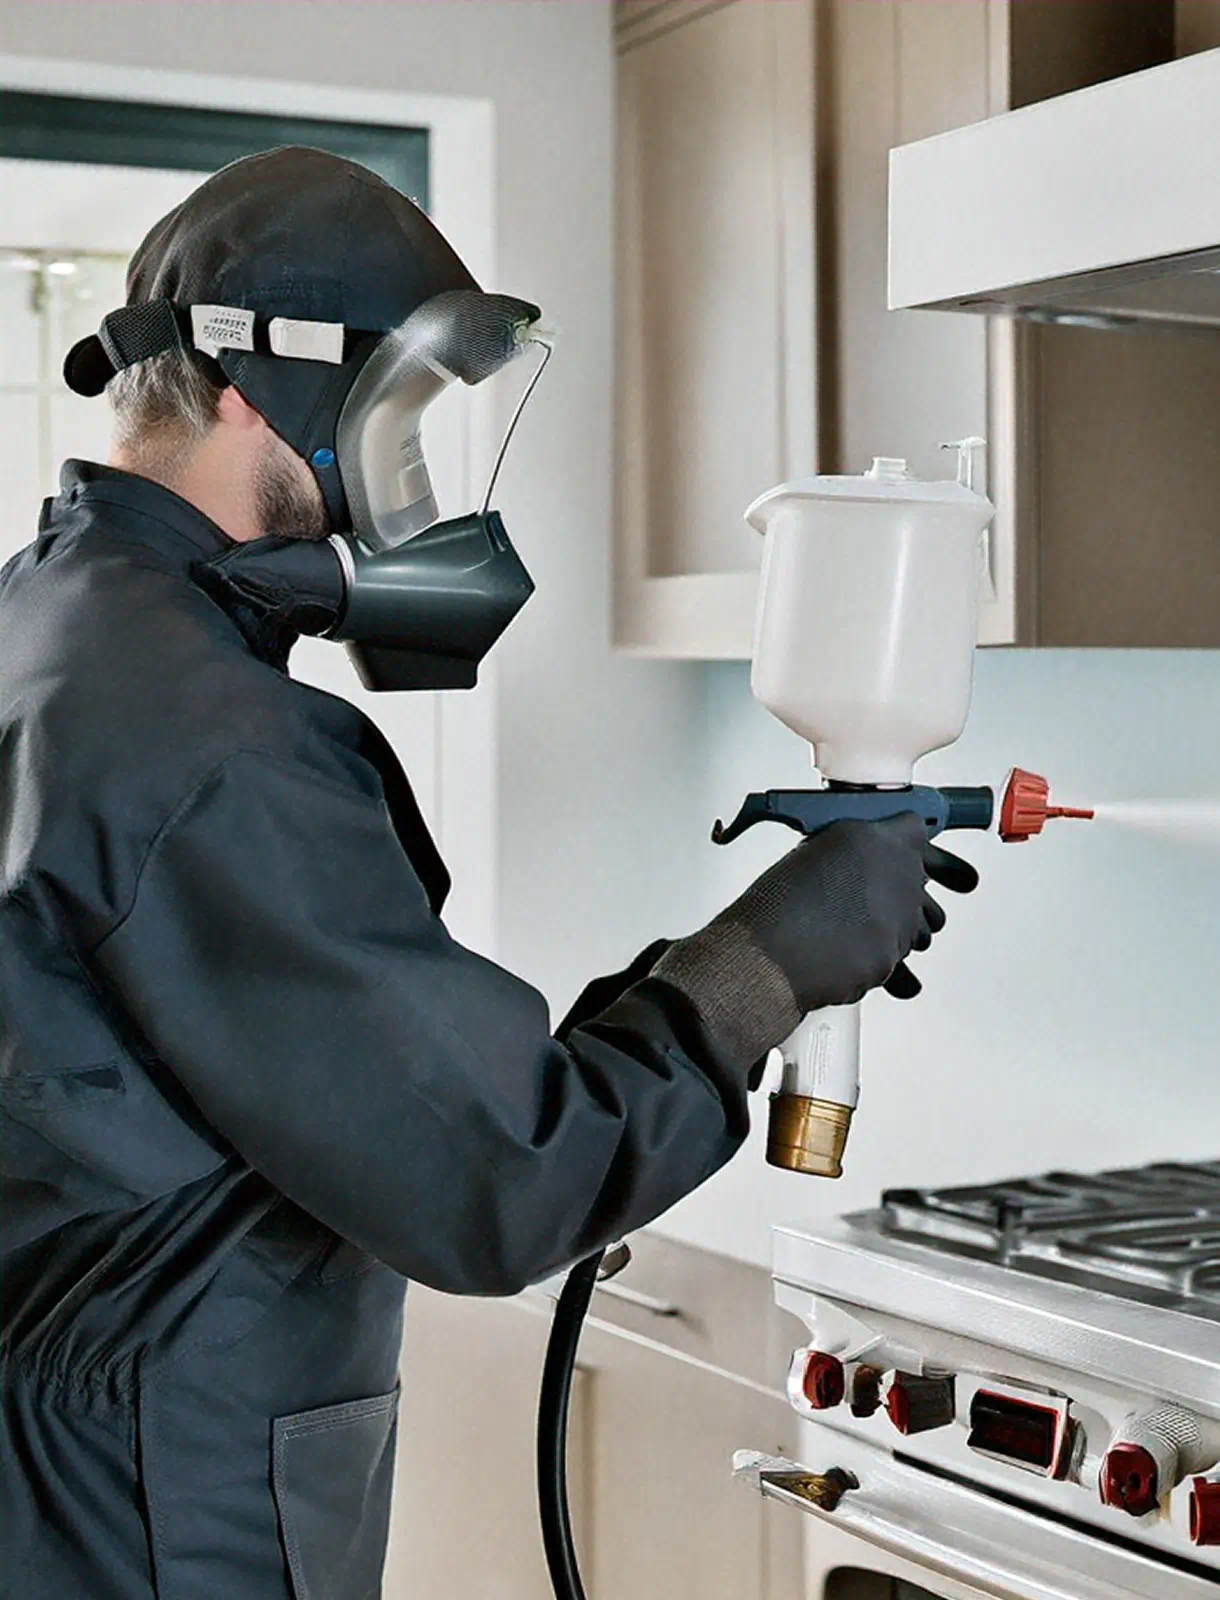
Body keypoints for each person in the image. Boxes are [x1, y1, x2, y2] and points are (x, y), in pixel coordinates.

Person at [0, 147, 977, 1600]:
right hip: (160, 1504)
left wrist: (700, 979)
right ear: (259, 386)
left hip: (71, 1471)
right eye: (397, 414)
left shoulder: (55, 626)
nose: (404, 484)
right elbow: (498, 1176)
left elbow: (346, 1059)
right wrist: (761, 965)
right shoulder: (218, 743)